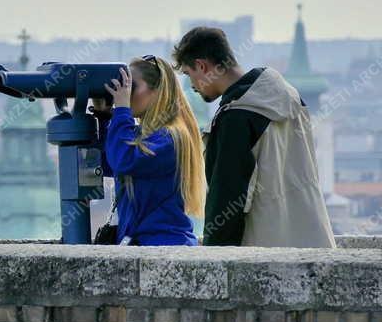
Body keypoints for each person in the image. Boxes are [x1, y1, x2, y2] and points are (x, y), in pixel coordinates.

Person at [172, 27, 335, 248]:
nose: (192, 86)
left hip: (268, 251)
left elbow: (226, 202)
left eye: (189, 74)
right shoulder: (289, 98)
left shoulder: (235, 117)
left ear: (202, 66)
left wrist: (214, 257)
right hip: (314, 240)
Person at [90, 55, 205, 246]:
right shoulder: (144, 136)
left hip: (166, 246)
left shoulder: (170, 138)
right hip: (145, 244)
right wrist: (104, 116)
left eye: (131, 86)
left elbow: (124, 161)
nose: (126, 92)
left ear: (157, 91)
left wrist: (121, 111)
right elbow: (107, 163)